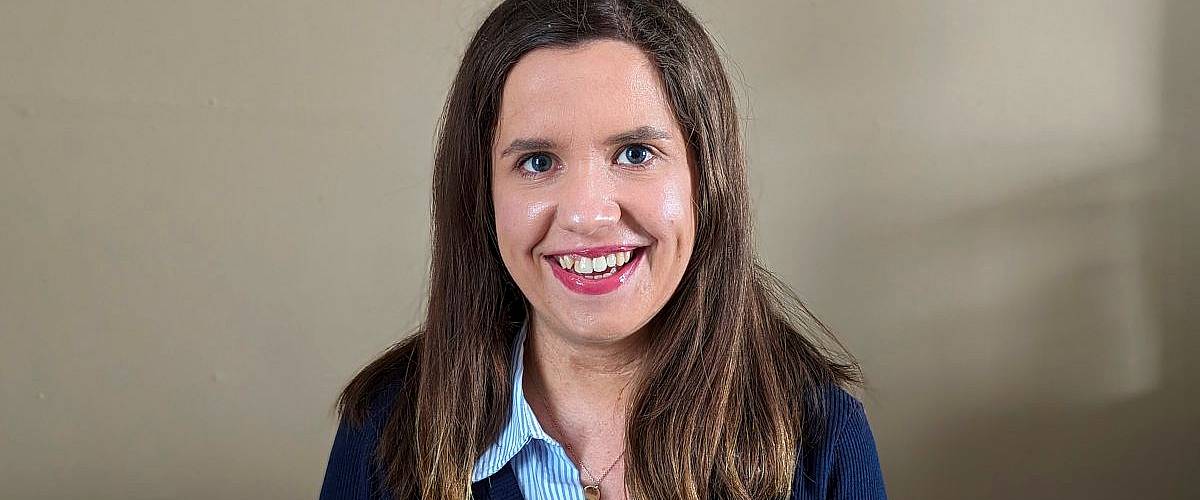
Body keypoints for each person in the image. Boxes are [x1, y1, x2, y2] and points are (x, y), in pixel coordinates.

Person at [319, 0, 887, 499]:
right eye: (537, 162)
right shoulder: (383, 430)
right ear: (481, 193)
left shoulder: (822, 440)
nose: (589, 215)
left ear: (704, 181)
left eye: (636, 154)